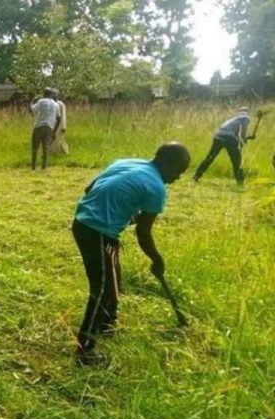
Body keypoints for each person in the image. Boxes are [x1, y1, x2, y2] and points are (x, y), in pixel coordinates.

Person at [72, 142, 191, 365]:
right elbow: (143, 233)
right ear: (168, 164)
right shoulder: (156, 188)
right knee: (104, 290)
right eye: (178, 172)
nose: (177, 178)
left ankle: (106, 324)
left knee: (113, 280)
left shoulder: (128, 162)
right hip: (97, 232)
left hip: (83, 222)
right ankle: (85, 350)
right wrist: (157, 259)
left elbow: (90, 189)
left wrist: (120, 210)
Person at [193, 108, 252, 185]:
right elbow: (242, 133)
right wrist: (244, 139)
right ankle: (240, 181)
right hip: (229, 138)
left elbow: (237, 135)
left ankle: (196, 175)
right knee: (237, 160)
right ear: (247, 113)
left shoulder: (233, 120)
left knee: (210, 157)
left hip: (218, 136)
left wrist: (244, 139)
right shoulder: (246, 118)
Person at [30, 88, 61, 170]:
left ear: (44, 94)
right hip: (49, 127)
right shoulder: (56, 104)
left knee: (35, 147)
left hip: (39, 126)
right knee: (45, 147)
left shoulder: (40, 101)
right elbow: (59, 118)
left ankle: (33, 166)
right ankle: (44, 167)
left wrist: (32, 101)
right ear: (51, 95)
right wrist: (54, 131)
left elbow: (32, 110)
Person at [49, 90, 68, 155]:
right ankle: (51, 153)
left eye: (55, 95)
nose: (54, 96)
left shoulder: (61, 104)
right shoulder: (50, 104)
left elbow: (63, 116)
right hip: (51, 124)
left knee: (60, 139)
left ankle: (65, 152)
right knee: (51, 139)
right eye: (52, 95)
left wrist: (63, 126)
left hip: (59, 125)